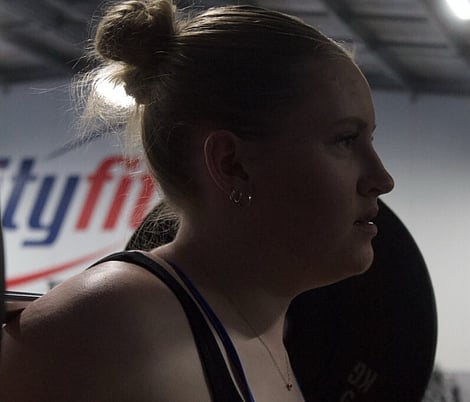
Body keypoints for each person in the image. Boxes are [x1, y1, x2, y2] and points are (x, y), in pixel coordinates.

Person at [0, 0, 394, 401]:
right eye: (345, 139)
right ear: (231, 164)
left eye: (370, 139)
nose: (382, 179)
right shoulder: (111, 329)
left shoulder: (259, 335)